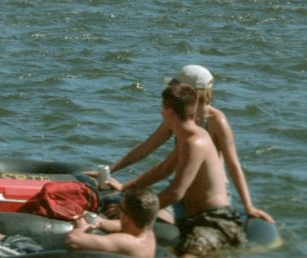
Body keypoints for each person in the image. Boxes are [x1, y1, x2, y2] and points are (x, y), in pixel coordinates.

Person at [107, 65, 273, 223]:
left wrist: (248, 206)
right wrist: (111, 173)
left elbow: (233, 165)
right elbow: (148, 148)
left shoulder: (216, 121)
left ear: (189, 91)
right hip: (182, 195)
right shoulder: (179, 118)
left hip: (207, 198)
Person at [116, 83, 244, 256]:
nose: (161, 113)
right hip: (189, 217)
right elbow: (164, 168)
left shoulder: (195, 142)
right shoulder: (189, 138)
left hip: (214, 221)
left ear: (170, 112)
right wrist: (127, 187)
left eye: (162, 108)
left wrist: (136, 212)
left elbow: (176, 193)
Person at [66, 188, 159, 258]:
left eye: (120, 208)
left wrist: (81, 226)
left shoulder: (127, 242)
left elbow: (73, 240)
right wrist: (100, 222)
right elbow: (120, 224)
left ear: (127, 217)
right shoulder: (148, 234)